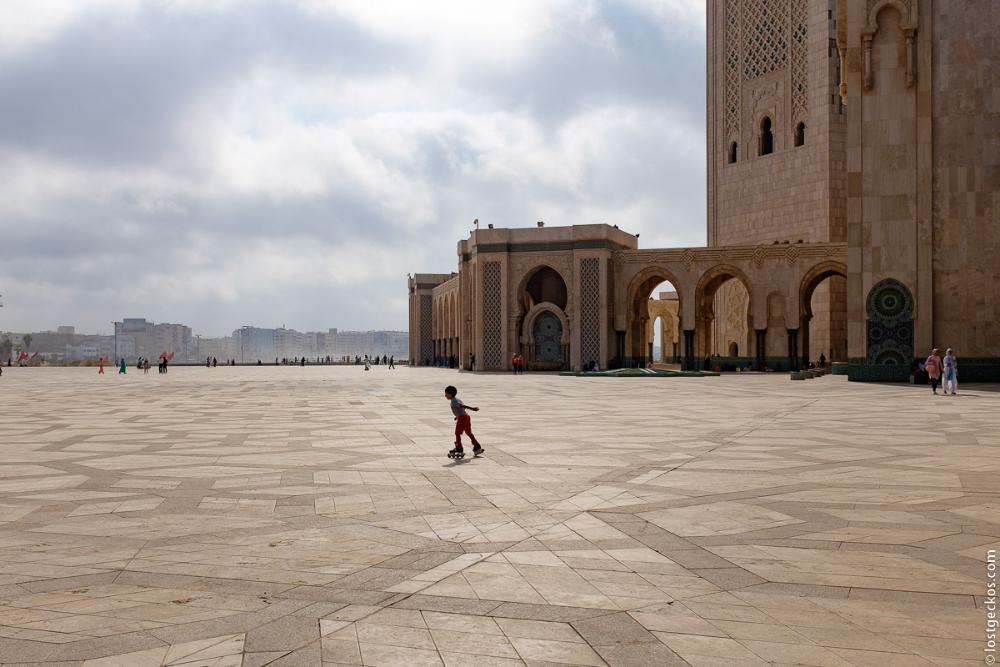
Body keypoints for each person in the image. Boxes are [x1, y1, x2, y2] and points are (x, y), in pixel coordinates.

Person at [445, 385, 483, 459]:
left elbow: (462, 406)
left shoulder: (453, 401)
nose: (445, 395)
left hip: (462, 418)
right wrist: (457, 416)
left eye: (446, 394)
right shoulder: (457, 399)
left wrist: (472, 408)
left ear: (450, 394)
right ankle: (477, 446)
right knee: (468, 432)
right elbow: (461, 409)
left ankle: (459, 448)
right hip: (466, 417)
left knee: (457, 433)